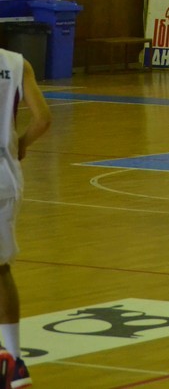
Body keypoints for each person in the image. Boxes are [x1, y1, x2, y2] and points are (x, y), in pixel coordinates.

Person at [0, 48, 52, 388]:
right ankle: (14, 359)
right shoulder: (16, 63)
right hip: (6, 177)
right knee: (1, 269)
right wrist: (20, 145)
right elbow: (43, 119)